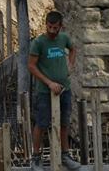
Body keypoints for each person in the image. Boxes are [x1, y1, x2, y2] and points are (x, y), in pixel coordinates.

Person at [28, 10, 80, 170]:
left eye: (55, 28)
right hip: (44, 91)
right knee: (41, 123)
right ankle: (36, 158)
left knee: (64, 122)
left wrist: (70, 66)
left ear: (60, 26)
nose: (52, 30)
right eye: (49, 27)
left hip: (64, 89)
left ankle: (65, 155)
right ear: (46, 25)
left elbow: (73, 49)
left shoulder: (64, 38)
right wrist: (49, 83)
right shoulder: (39, 43)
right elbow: (31, 66)